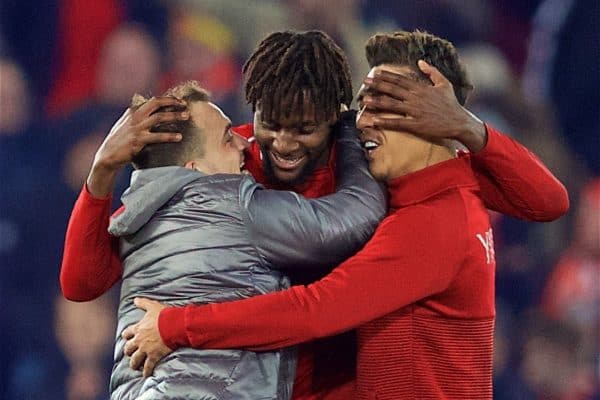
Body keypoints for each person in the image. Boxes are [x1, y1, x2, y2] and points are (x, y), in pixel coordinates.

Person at [60, 30, 568, 400]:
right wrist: (102, 173)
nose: (281, 144)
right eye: (269, 124)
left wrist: (465, 126)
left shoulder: (384, 173)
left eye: (302, 128)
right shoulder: (227, 166)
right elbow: (86, 281)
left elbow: (546, 202)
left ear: (333, 119)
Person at [88, 80, 385, 399]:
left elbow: (79, 282)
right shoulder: (229, 202)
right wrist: (350, 134)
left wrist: (100, 171)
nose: (244, 144)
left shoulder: (135, 219)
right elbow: (355, 216)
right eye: (227, 139)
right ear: (194, 168)